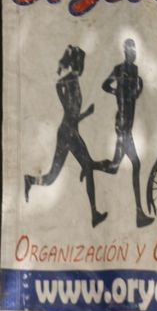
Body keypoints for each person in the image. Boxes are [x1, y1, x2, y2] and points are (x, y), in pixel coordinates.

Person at [24, 44, 108, 228]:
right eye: (81, 62)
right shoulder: (70, 81)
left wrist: (85, 113)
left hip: (69, 131)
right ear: (77, 63)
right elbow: (68, 106)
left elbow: (72, 114)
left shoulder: (73, 81)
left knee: (53, 176)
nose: (83, 66)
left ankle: (30, 180)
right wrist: (83, 112)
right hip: (68, 133)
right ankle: (94, 214)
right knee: (85, 168)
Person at [101, 38, 152, 227]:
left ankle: (89, 165)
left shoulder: (135, 71)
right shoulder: (118, 69)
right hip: (123, 125)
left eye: (134, 50)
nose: (133, 53)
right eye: (130, 50)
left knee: (114, 167)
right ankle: (139, 214)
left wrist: (138, 89)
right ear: (125, 52)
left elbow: (133, 95)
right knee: (135, 164)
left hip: (126, 124)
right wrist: (116, 92)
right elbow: (105, 85)